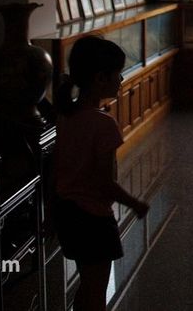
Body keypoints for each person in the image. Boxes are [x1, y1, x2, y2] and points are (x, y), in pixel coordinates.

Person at [54, 36, 149, 311]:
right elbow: (105, 183)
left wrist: (50, 209)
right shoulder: (103, 124)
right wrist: (136, 204)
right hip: (93, 219)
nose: (121, 80)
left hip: (67, 213)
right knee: (96, 293)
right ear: (100, 78)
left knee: (86, 283)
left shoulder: (66, 115)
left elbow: (56, 169)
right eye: (117, 74)